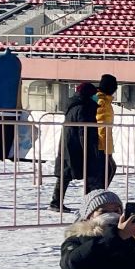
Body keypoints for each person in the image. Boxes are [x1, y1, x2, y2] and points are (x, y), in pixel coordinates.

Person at [49, 75, 117, 212]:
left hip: (73, 144)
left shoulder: (83, 104)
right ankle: (91, 202)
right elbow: (88, 129)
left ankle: (60, 202)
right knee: (95, 174)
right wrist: (92, 147)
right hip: (88, 145)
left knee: (68, 173)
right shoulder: (92, 105)